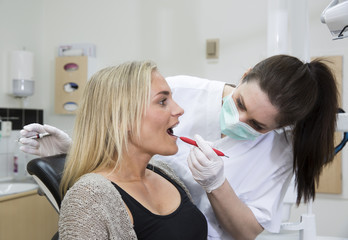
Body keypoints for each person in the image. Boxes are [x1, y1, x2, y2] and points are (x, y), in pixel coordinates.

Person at [20, 55, 338, 240]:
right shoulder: (92, 197)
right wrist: (78, 152)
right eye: (163, 100)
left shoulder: (169, 175)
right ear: (243, 78)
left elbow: (247, 231)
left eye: (256, 125)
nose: (179, 110)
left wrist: (217, 184)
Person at [55, 60, 208, 239]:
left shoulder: (164, 172)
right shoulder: (87, 198)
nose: (179, 110)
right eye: (162, 101)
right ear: (122, 119)